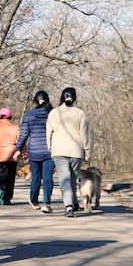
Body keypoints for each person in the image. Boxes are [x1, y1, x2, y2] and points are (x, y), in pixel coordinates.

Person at [46, 87, 93, 217]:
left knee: (65, 179)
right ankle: (73, 203)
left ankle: (69, 206)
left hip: (59, 150)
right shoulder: (80, 114)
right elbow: (85, 135)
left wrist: (50, 147)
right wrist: (87, 152)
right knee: (72, 178)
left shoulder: (54, 113)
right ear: (74, 98)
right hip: (76, 151)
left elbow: (48, 132)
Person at [13, 91, 55, 213]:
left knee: (36, 177)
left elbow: (23, 135)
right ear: (47, 100)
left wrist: (18, 150)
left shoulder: (29, 116)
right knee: (47, 178)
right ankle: (46, 203)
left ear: (36, 101)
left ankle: (34, 200)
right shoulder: (53, 115)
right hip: (49, 151)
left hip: (34, 151)